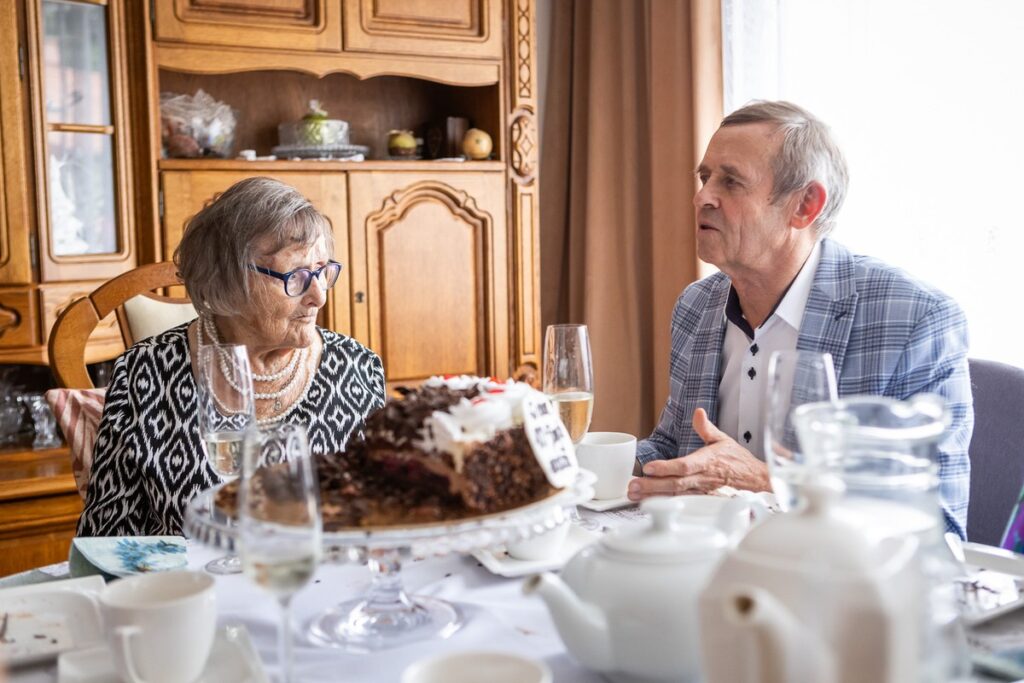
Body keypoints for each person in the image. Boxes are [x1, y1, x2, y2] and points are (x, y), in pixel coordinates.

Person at [629, 101, 972, 538]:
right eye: (705, 177)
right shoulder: (695, 307)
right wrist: (572, 458)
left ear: (805, 206)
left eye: (730, 181)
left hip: (828, 591)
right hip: (704, 571)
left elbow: (937, 528)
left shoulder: (916, 320)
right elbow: (674, 446)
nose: (702, 197)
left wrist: (767, 482)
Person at [78, 177, 387, 536]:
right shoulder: (144, 373)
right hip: (191, 586)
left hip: (314, 581)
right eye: (297, 276)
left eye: (322, 271)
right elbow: (106, 540)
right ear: (226, 280)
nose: (318, 295)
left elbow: (381, 524)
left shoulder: (357, 368)